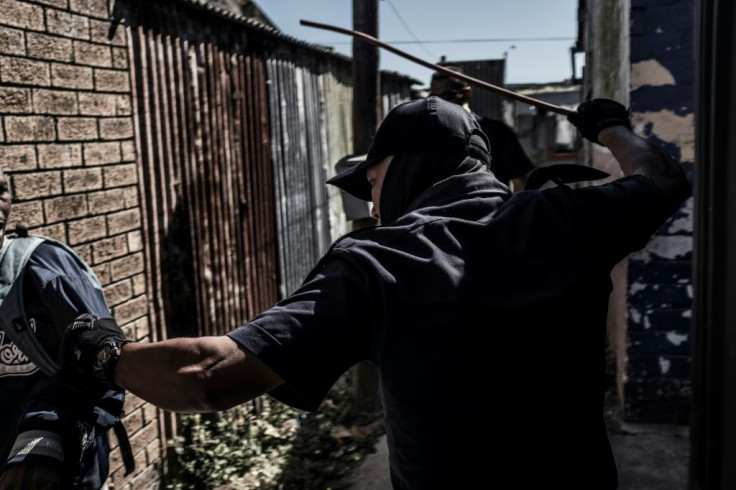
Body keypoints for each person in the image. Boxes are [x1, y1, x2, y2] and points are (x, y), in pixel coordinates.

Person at [60, 97, 690, 489]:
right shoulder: (566, 220)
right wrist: (609, 126)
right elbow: (661, 177)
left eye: (373, 179)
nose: (372, 199)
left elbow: (207, 376)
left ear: (405, 166)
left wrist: (101, 353)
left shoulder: (378, 262)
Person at [0, 167, 128, 489]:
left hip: (56, 472)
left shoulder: (44, 268)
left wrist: (47, 435)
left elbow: (106, 362)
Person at [429, 66, 535, 192]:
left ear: (466, 93)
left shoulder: (497, 132)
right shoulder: (428, 135)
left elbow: (521, 185)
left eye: (447, 95)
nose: (440, 103)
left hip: (492, 210)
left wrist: (513, 210)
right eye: (434, 97)